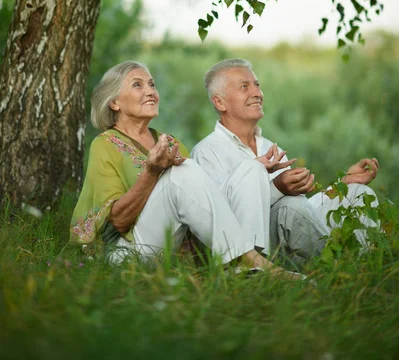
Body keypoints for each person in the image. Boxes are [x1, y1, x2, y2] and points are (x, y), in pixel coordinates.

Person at [70, 60, 302, 279]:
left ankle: (243, 269)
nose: (150, 91)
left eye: (152, 84)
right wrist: (152, 172)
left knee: (246, 167)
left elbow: (203, 208)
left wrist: (254, 172)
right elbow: (118, 222)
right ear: (114, 102)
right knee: (183, 170)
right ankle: (251, 260)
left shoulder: (171, 144)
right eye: (137, 85)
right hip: (124, 253)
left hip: (168, 249)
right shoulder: (105, 144)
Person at [191, 59, 379, 266]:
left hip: (289, 239)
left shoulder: (270, 147)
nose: (257, 93)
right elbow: (220, 219)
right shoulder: (207, 152)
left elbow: (305, 212)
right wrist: (278, 187)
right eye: (244, 87)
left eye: (257, 85)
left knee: (358, 193)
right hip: (248, 253)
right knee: (290, 204)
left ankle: (365, 267)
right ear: (220, 102)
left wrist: (343, 184)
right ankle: (339, 269)